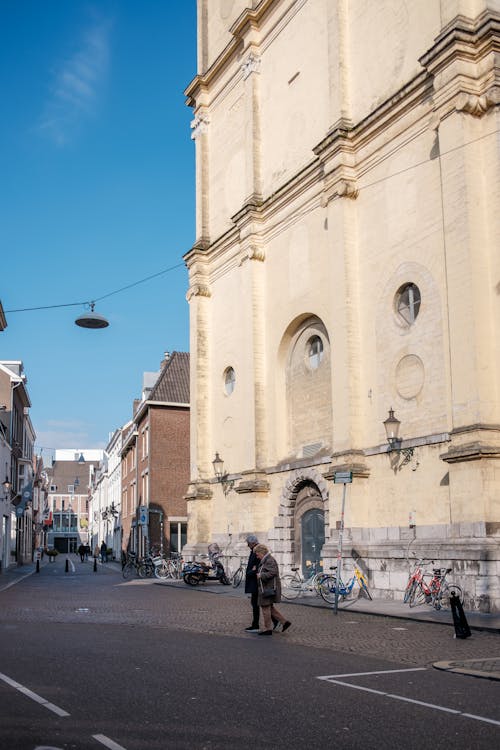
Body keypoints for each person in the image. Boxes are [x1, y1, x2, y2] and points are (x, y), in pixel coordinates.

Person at [244, 535, 280, 633]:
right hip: (255, 581)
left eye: (248, 543)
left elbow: (260, 568)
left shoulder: (259, 551)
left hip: (257, 583)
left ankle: (259, 625)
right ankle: (279, 621)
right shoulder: (254, 550)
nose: (247, 545)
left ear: (253, 543)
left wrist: (253, 572)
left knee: (261, 604)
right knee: (262, 604)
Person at [254, 543, 291, 636]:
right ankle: (284, 622)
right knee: (270, 607)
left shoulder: (269, 560)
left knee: (265, 607)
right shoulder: (266, 559)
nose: (257, 556)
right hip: (266, 587)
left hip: (267, 588)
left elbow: (273, 572)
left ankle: (268, 629)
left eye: (257, 554)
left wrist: (261, 575)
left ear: (261, 552)